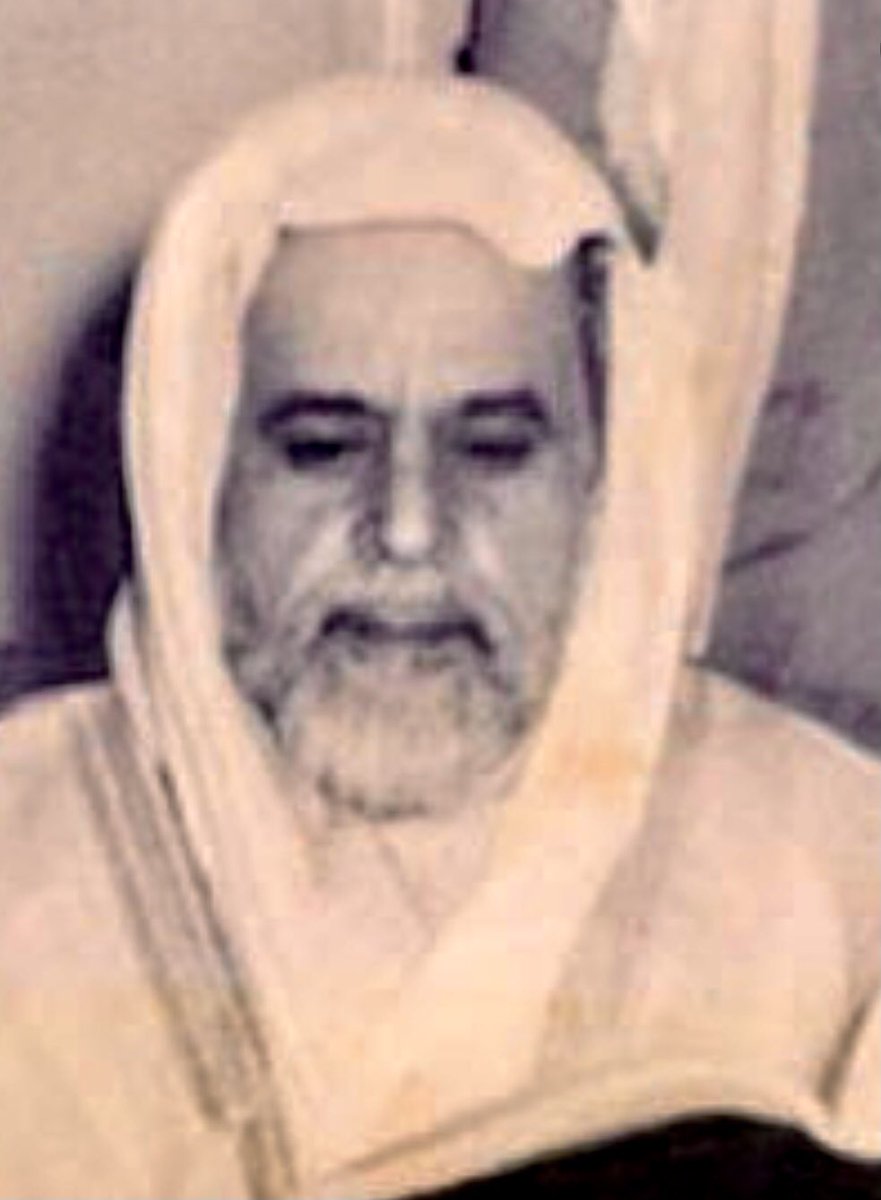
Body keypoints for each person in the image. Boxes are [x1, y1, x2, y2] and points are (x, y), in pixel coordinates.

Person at [0, 71, 878, 1199]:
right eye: (322, 447)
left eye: (493, 449)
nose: (408, 529)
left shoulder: (834, 882)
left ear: (607, 485)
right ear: (198, 474)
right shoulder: (27, 862)